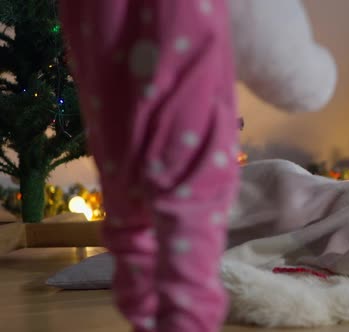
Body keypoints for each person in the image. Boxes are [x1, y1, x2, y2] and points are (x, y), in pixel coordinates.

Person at [59, 1, 237, 331]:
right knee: (187, 215)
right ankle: (174, 316)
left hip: (116, 106)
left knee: (131, 217)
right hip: (187, 111)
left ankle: (154, 312)